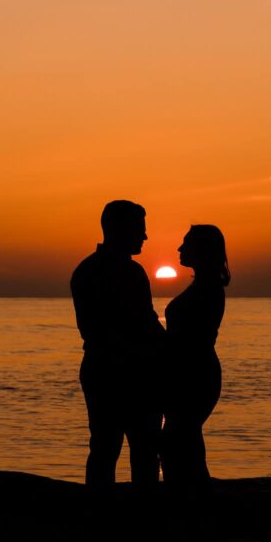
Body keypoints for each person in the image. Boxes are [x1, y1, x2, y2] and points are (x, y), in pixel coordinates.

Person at [70, 200, 166, 500]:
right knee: (116, 449)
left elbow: (146, 323)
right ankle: (117, 518)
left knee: (125, 449)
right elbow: (116, 329)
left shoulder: (106, 271)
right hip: (116, 373)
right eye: (140, 229)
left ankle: (119, 517)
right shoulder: (100, 273)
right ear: (117, 228)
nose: (145, 237)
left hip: (118, 371)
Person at [161, 224, 228, 499]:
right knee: (184, 440)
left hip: (195, 374)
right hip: (190, 372)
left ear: (201, 250)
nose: (179, 249)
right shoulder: (203, 285)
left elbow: (191, 339)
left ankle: (190, 505)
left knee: (177, 440)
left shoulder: (208, 288)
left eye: (186, 243)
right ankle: (194, 503)